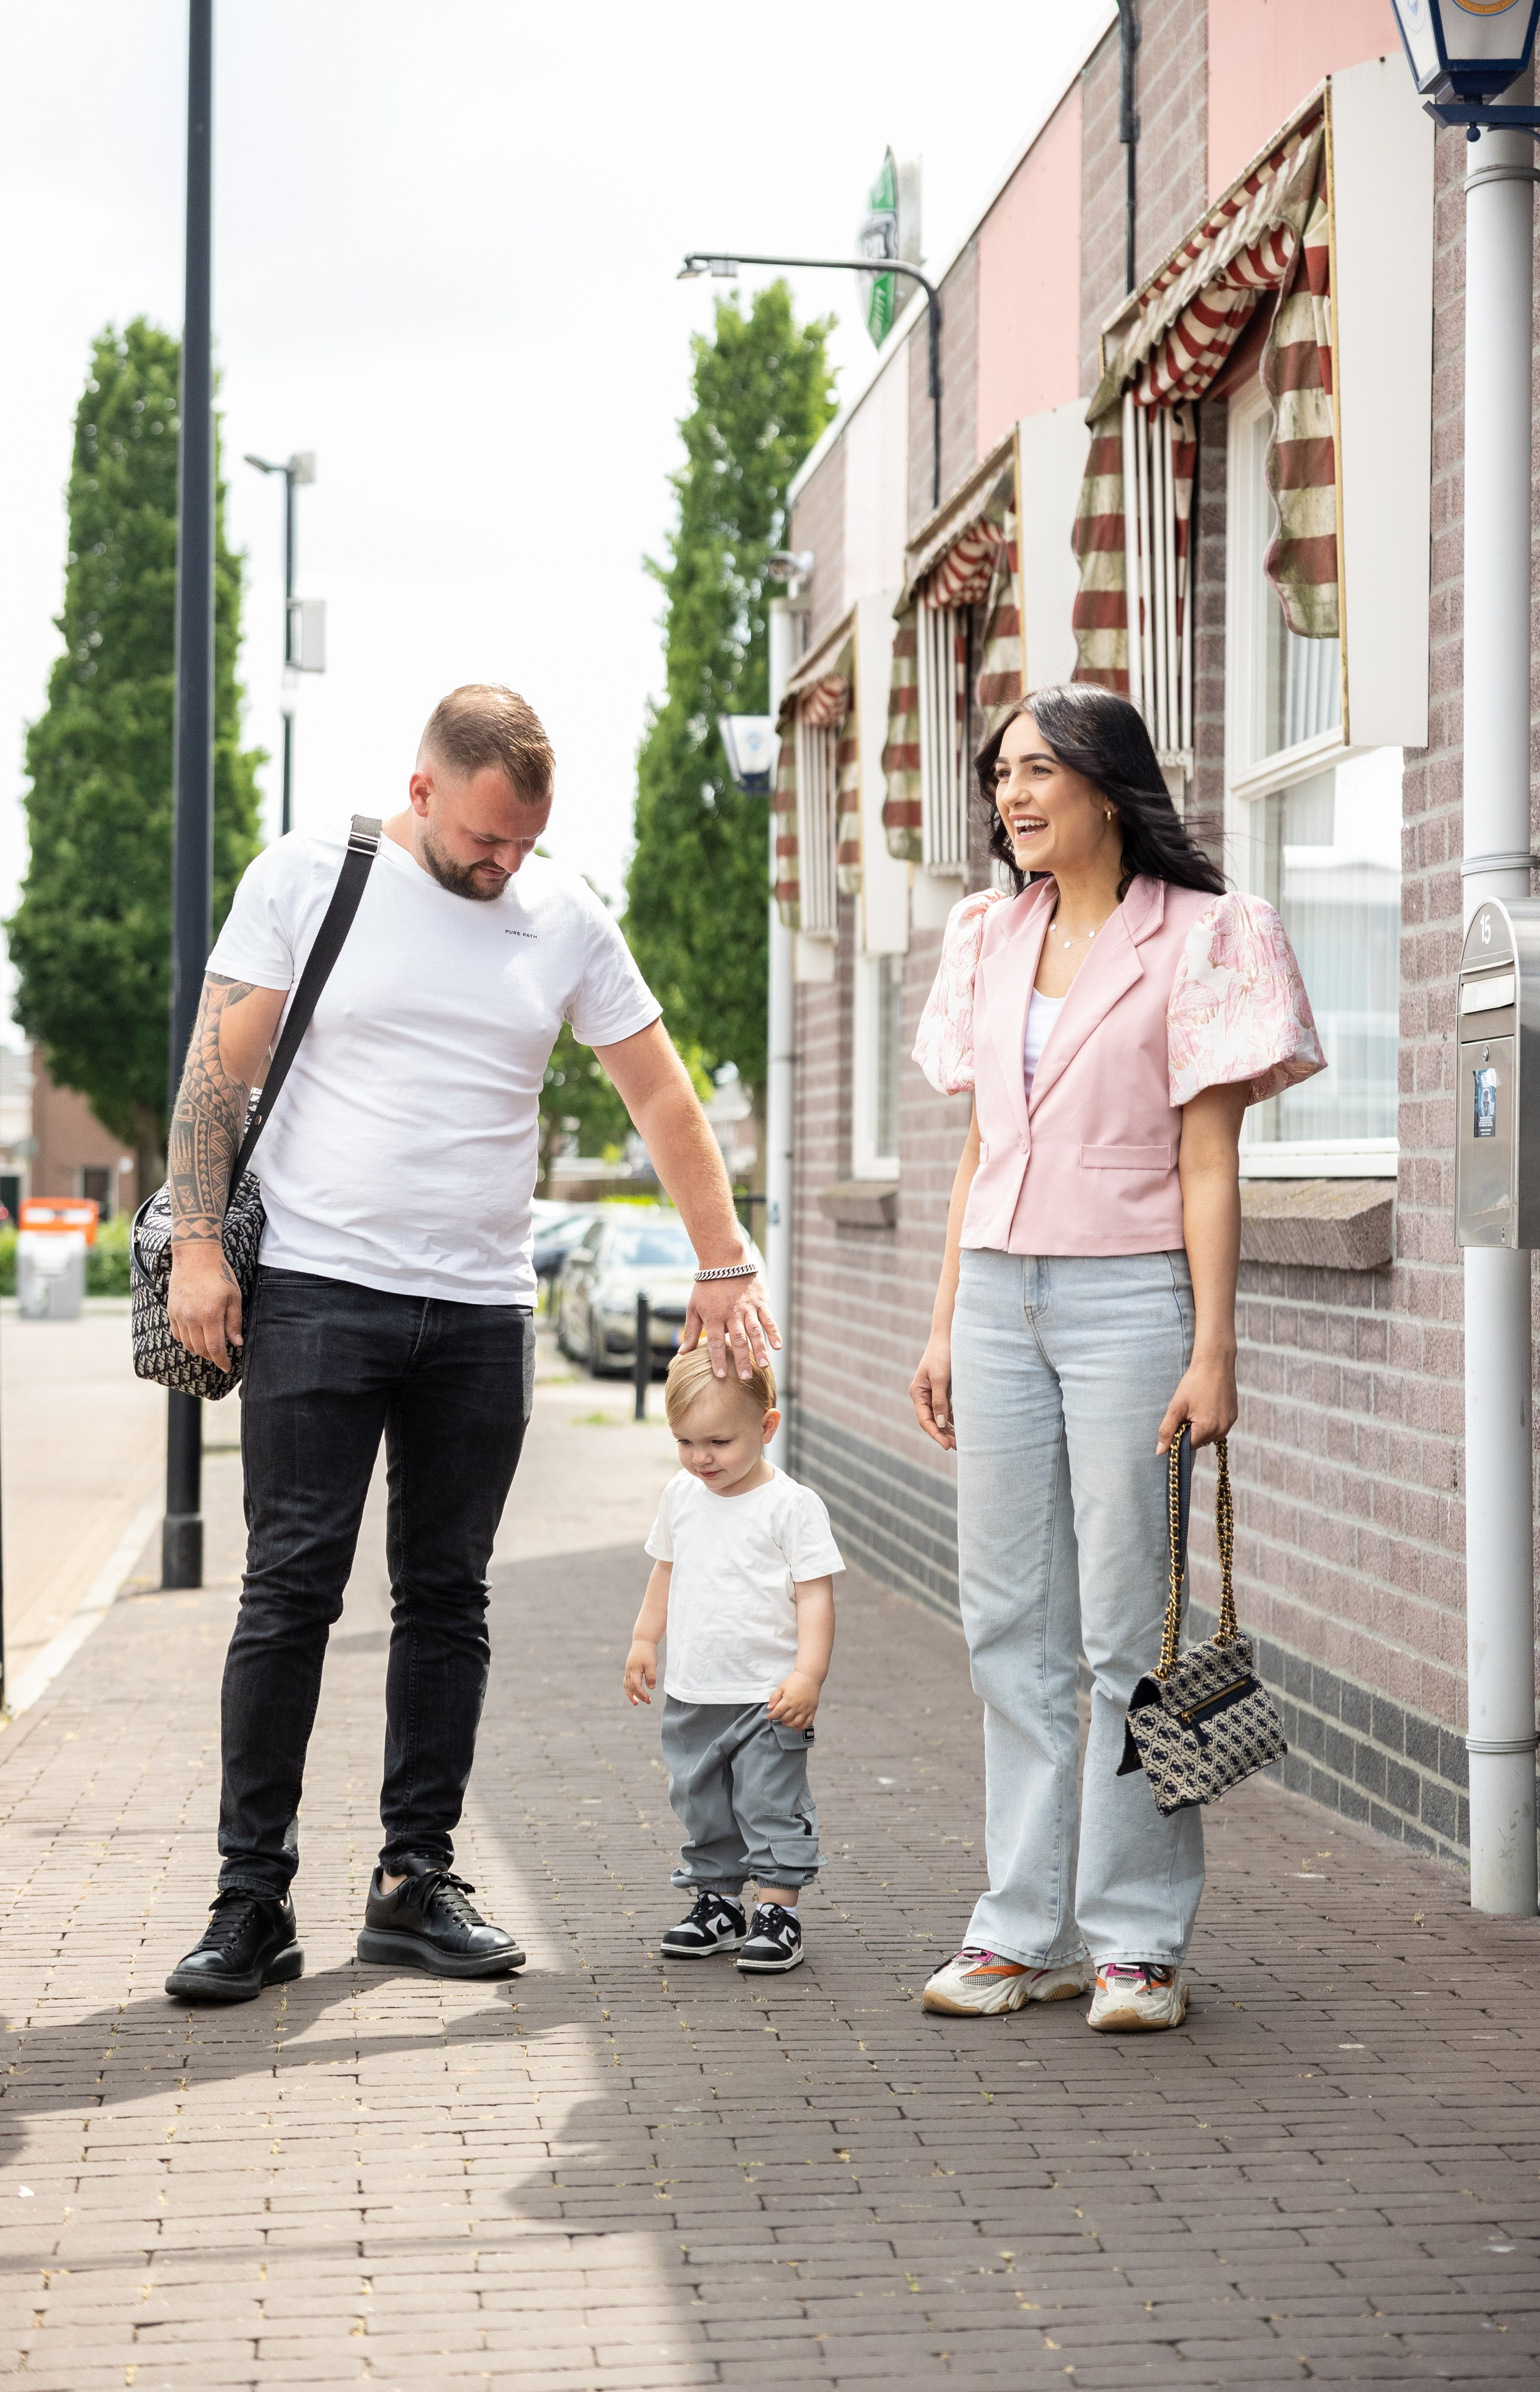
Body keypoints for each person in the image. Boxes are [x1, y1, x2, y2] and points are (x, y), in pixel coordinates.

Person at [161, 683, 777, 2004]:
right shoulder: (312, 873)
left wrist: (723, 1260)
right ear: (425, 788)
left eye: (525, 842)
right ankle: (248, 1897)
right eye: (485, 839)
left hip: (481, 1313)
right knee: (291, 1593)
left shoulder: (563, 917)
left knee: (447, 1599)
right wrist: (203, 1247)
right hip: (322, 1291)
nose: (503, 866)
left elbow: (659, 1091)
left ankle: (411, 1881)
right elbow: (218, 1070)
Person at [909, 684, 1323, 2033]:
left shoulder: (1206, 938)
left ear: (1105, 785)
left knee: (1121, 1634)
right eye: (1000, 775)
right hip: (999, 1303)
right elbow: (982, 1148)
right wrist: (940, 1319)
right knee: (1004, 1629)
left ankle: (1136, 1939)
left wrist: (1215, 1346)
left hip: (1128, 1306)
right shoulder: (982, 934)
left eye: (1037, 771)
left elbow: (1210, 1159)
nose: (1011, 796)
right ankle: (1018, 1927)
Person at [623, 1344, 841, 1975]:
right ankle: (717, 1904)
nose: (700, 1458)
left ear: (767, 1427)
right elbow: (665, 1571)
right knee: (701, 1801)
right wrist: (644, 1640)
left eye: (718, 1441)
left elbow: (815, 1597)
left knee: (770, 1802)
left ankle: (777, 1910)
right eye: (685, 1442)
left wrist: (808, 1675)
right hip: (694, 1694)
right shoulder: (681, 1496)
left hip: (768, 1696)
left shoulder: (791, 1506)